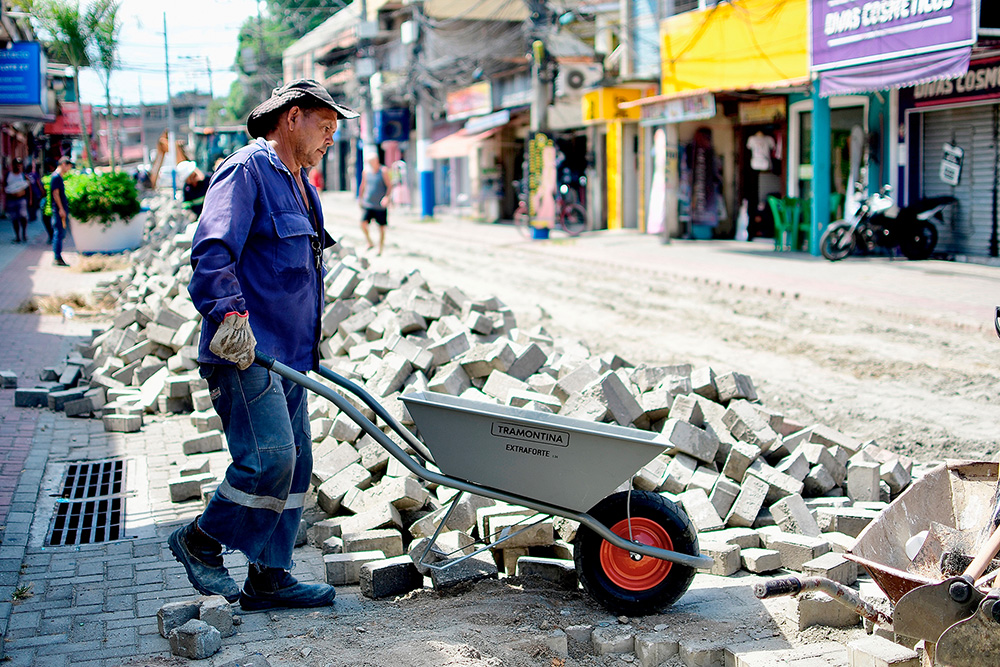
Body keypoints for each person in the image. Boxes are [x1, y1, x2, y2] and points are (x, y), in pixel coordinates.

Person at [172, 79, 358, 611]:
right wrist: (229, 315)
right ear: (292, 117)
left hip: (291, 356)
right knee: (271, 457)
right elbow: (211, 250)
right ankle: (200, 540)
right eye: (325, 127)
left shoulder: (305, 187)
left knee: (297, 465)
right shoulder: (245, 170)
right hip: (246, 350)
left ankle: (269, 577)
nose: (330, 139)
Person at [358, 151, 392, 254]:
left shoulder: (383, 171)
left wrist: (387, 197)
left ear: (376, 161)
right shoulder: (366, 172)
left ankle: (380, 249)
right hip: (368, 203)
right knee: (362, 223)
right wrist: (360, 198)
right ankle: (370, 242)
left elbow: (389, 186)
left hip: (380, 205)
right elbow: (363, 185)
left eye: (371, 161)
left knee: (381, 228)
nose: (370, 163)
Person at [49, 157, 74, 266]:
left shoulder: (58, 177)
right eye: (68, 166)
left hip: (59, 209)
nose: (68, 169)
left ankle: (58, 257)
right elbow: (56, 194)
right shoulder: (56, 177)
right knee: (59, 233)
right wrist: (61, 209)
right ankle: (57, 257)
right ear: (64, 164)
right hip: (58, 210)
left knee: (60, 233)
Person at [4, 159, 31, 243]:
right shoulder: (8, 175)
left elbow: (28, 188)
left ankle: (24, 233)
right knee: (14, 218)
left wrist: (30, 199)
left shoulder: (23, 175)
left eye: (19, 165)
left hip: (21, 199)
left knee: (23, 216)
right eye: (16, 164)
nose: (18, 166)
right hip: (11, 200)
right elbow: (4, 187)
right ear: (13, 165)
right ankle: (17, 236)